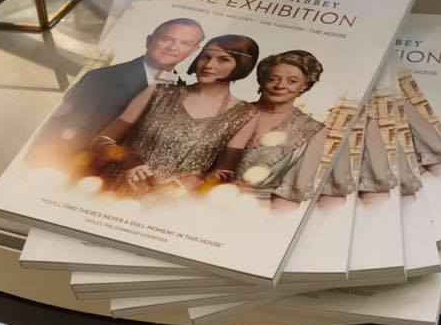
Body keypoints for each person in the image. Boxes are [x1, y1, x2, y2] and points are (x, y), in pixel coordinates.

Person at [88, 34, 260, 195]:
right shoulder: (156, 92)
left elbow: (226, 171)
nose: (208, 65)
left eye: (223, 59)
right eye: (205, 57)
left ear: (243, 65)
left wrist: (197, 180)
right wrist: (129, 160)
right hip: (113, 190)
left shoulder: (245, 114)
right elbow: (101, 140)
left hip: (168, 202)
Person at [26, 17, 205, 166]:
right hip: (82, 167)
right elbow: (61, 130)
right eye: (166, 39)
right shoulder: (101, 78)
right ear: (149, 40)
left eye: (185, 43)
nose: (173, 47)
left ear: (193, 50)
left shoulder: (186, 91)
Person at [236, 50, 328, 209]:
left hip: (256, 213)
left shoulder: (312, 130)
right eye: (273, 79)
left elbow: (289, 197)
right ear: (262, 80)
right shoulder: (233, 112)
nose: (280, 86)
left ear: (304, 86)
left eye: (292, 81)